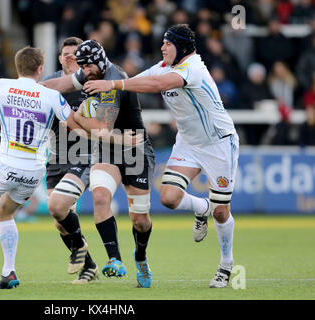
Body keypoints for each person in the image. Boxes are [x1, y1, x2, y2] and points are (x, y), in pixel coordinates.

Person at [84, 24, 239, 288]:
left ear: (182, 47)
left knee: (222, 212)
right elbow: (135, 83)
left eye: (168, 44)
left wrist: (111, 81)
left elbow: (156, 84)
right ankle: (202, 208)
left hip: (218, 144)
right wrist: (107, 86)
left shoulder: (193, 69)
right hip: (188, 144)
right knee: (168, 198)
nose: (162, 47)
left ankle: (226, 265)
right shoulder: (164, 66)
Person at [0, 46, 83, 289]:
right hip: (33, 171)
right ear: (40, 69)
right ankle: (9, 272)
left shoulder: (1, 86)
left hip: (5, 163)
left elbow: (4, 103)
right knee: (5, 212)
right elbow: (73, 123)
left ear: (17, 67)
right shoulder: (50, 95)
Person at [42, 39, 155, 288]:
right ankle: (115, 260)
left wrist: (78, 118)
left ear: (101, 61)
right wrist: (32, 88)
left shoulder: (115, 79)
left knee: (140, 220)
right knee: (101, 197)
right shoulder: (89, 73)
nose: (85, 71)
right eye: (82, 66)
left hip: (135, 151)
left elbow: (103, 129)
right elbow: (61, 83)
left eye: (88, 66)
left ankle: (141, 256)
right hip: (107, 151)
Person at [42, 37, 99, 285]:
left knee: (60, 207)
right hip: (56, 157)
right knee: (59, 221)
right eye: (65, 54)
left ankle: (86, 256)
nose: (69, 57)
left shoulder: (92, 83)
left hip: (84, 155)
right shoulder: (52, 83)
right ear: (59, 58)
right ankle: (90, 265)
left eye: (74, 53)